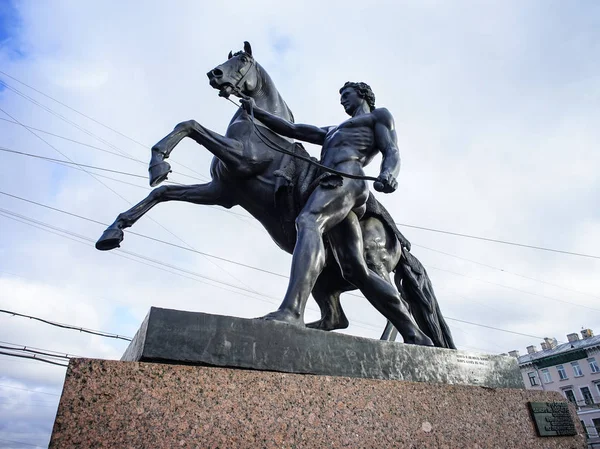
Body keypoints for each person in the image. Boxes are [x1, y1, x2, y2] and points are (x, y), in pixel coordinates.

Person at [241, 82, 432, 345]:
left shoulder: (379, 116)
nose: (342, 100)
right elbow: (293, 129)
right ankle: (415, 334)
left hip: (348, 179)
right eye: (340, 96)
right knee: (355, 270)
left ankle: (292, 311)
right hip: (333, 184)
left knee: (308, 221)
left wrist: (390, 173)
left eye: (346, 94)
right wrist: (257, 112)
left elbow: (392, 150)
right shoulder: (332, 131)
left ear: (362, 95)